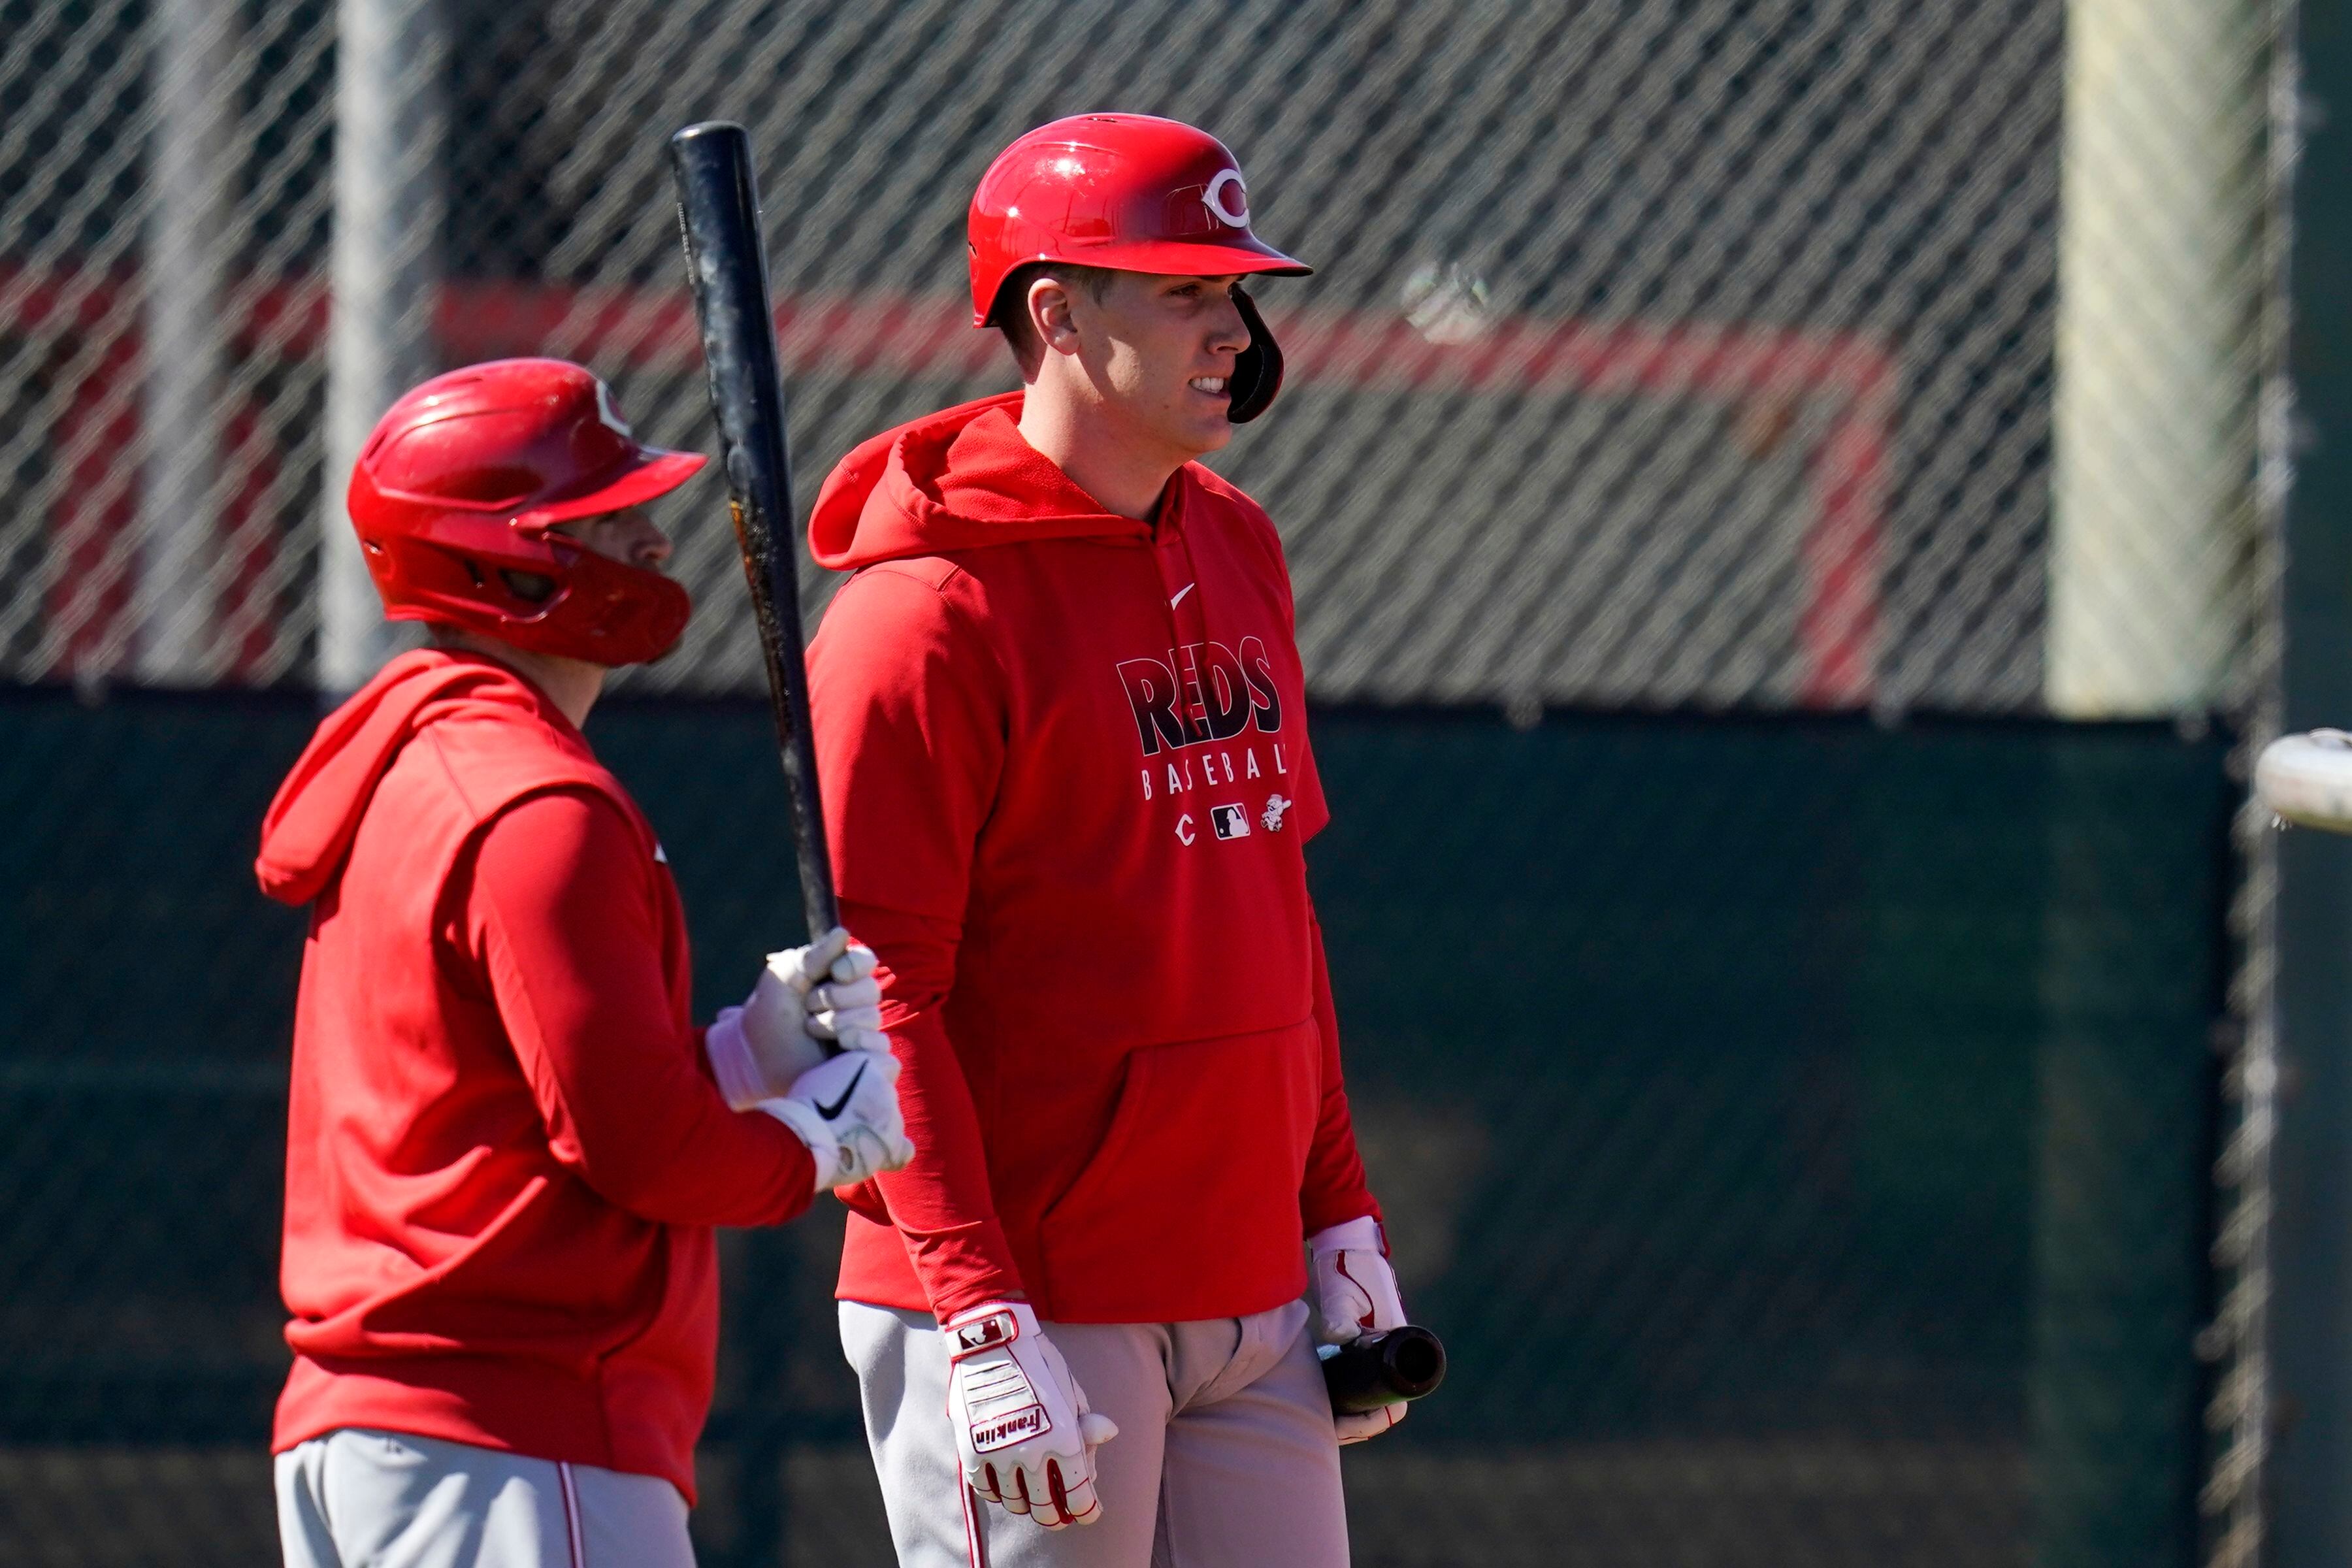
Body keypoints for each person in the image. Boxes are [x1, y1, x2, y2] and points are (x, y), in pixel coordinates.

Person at [807, 115, 1407, 1568]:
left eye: (1236, 293)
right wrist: (978, 1310)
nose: (1233, 331)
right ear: (1055, 313)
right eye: (1185, 291)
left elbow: (1278, 912)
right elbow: (883, 994)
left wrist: (1337, 1212)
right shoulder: (922, 617)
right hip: (1034, 1298)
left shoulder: (1238, 538)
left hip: (1246, 1278)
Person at [254, 357, 913, 1568]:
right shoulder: (534, 805)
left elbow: (517, 1104)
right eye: (599, 519)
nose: (653, 539)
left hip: (399, 1433)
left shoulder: (423, 765)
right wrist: (816, 1144)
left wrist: (748, 1051)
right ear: (499, 562)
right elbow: (638, 1151)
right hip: (512, 1433)